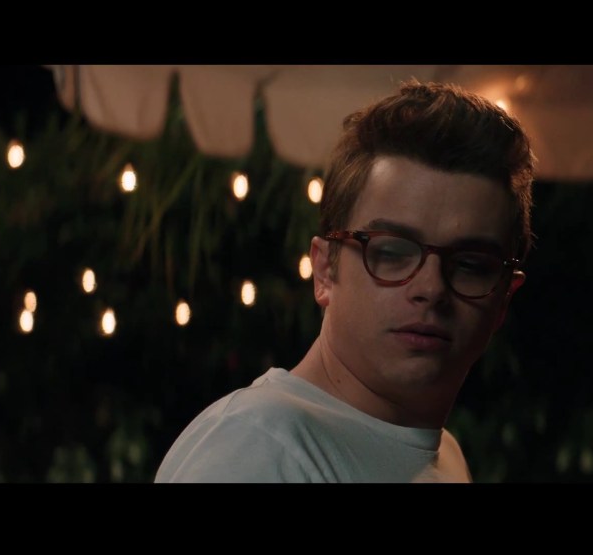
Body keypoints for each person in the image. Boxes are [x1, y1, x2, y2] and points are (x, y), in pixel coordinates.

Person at [155, 80, 535, 482]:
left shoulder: (446, 457)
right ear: (324, 270)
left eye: (471, 264)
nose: (431, 288)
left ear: (504, 298)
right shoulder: (256, 449)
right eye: (392, 252)